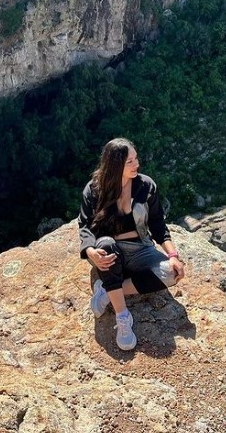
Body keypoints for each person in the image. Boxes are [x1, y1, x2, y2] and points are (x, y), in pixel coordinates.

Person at [78, 137, 185, 350]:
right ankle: (122, 316)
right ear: (115, 164)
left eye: (136, 159)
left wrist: (173, 256)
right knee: (106, 246)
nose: (137, 165)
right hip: (108, 251)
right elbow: (85, 226)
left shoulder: (146, 186)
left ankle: (108, 290)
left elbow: (157, 224)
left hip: (140, 249)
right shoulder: (94, 189)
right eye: (130, 162)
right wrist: (90, 251)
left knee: (172, 274)